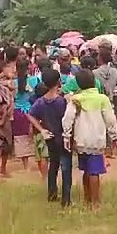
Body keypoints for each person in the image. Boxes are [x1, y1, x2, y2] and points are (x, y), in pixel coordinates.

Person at [63, 70, 117, 207]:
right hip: (96, 140)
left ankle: (87, 199)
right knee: (94, 171)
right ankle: (95, 202)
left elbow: (67, 119)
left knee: (86, 169)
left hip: (80, 139)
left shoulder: (75, 99)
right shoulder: (102, 99)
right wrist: (114, 136)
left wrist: (66, 136)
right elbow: (110, 120)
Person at [29, 69, 71, 206]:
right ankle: (66, 198)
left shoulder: (41, 101)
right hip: (63, 137)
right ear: (59, 82)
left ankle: (52, 194)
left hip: (50, 137)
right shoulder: (61, 101)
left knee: (53, 165)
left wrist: (41, 129)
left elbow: (30, 115)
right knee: (66, 167)